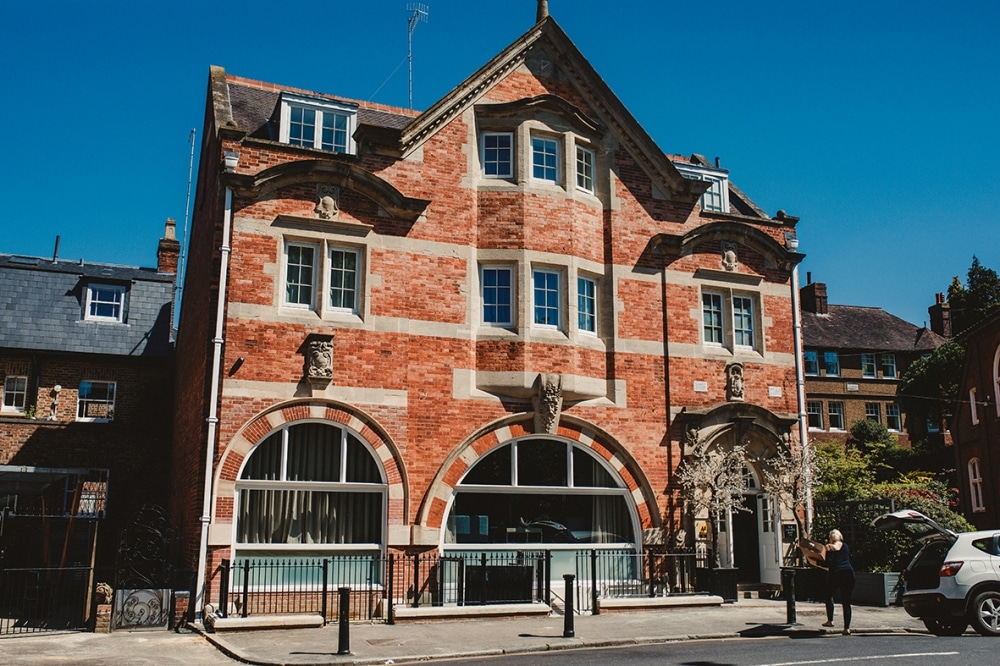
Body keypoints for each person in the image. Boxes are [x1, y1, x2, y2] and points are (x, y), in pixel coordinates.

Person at [822, 528, 855, 635]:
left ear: (831, 538)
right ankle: (847, 628)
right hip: (848, 574)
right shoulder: (845, 546)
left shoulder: (828, 548)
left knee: (828, 594)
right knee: (846, 601)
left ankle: (830, 620)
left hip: (836, 574)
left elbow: (828, 563)